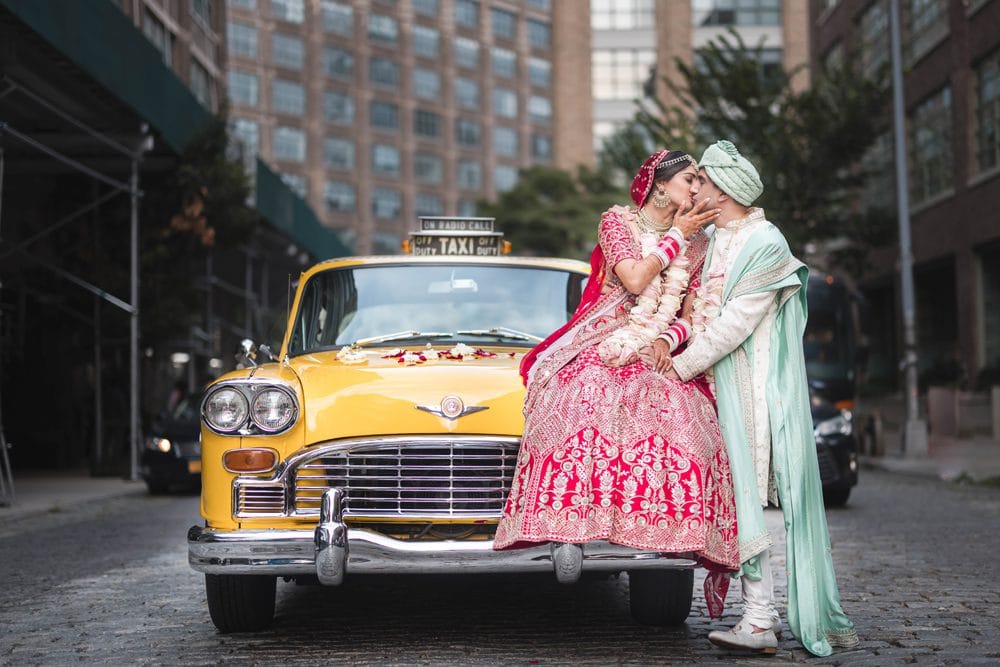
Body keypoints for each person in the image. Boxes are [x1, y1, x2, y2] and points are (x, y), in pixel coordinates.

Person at [494, 149, 740, 614]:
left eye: (698, 182)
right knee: (586, 392)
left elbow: (691, 313)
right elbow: (631, 277)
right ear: (659, 185)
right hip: (603, 336)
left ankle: (659, 530)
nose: (696, 189)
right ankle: (577, 520)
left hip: (655, 343)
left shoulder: (701, 245)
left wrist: (668, 341)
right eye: (689, 180)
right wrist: (676, 238)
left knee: (684, 409)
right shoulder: (618, 223)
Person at [667, 140, 858, 657]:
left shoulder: (765, 242)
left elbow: (733, 324)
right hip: (716, 386)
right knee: (735, 499)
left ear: (724, 190)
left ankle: (758, 620)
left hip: (753, 391)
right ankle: (759, 617)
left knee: (749, 498)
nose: (694, 189)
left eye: (701, 181)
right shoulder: (714, 237)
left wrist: (678, 364)